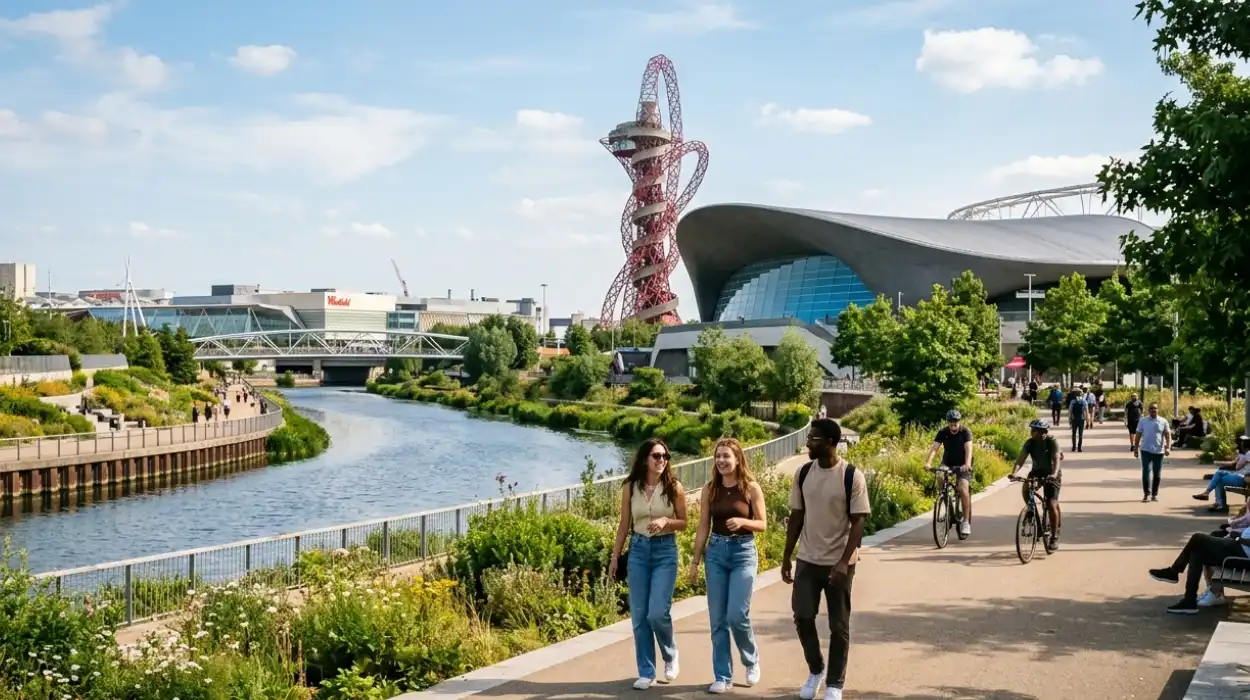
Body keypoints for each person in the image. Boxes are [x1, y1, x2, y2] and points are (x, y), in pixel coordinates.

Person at [782, 418, 871, 700]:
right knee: (802, 616)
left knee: (838, 626)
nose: (808, 443)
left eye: (814, 439)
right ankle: (816, 669)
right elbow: (796, 517)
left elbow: (858, 522)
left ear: (831, 443)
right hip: (808, 559)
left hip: (839, 562)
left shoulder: (851, 476)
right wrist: (786, 557)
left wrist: (844, 561)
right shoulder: (803, 473)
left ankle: (835, 684)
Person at [608, 438, 688, 690]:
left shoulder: (674, 487)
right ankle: (646, 671)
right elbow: (623, 525)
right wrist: (615, 556)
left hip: (665, 551)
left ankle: (670, 652)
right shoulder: (630, 487)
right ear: (645, 458)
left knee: (657, 613)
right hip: (639, 551)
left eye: (665, 456)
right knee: (640, 616)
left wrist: (666, 520)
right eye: (656, 455)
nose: (662, 460)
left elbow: (684, 522)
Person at [688, 438, 766, 693]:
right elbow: (702, 527)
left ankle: (751, 659)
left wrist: (744, 523)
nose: (721, 461)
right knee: (718, 620)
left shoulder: (750, 488)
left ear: (737, 459)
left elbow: (763, 524)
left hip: (743, 552)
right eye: (718, 456)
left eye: (726, 456)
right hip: (716, 554)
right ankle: (722, 675)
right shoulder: (709, 489)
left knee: (737, 615)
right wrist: (695, 561)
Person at [1149, 526, 1250, 614]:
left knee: (1197, 538)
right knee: (1197, 552)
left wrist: (1238, 538)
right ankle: (1189, 600)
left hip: (1242, 553)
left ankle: (1174, 572)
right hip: (1240, 548)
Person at [1010, 419, 1064, 549]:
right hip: (1037, 472)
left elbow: (1057, 458)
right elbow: (1021, 458)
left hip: (1052, 474)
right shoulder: (1030, 443)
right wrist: (1014, 473)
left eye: (1034, 430)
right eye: (1032, 429)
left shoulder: (1051, 441)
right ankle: (1031, 511)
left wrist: (1054, 474)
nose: (1031, 432)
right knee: (1026, 488)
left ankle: (1054, 536)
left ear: (1043, 432)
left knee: (1051, 503)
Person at [924, 410, 974, 537]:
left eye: (955, 422)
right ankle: (945, 499)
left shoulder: (965, 432)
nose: (953, 425)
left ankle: (966, 522)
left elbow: (968, 449)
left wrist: (967, 464)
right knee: (940, 476)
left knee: (963, 488)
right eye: (951, 423)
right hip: (947, 462)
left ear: (959, 422)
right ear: (948, 423)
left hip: (963, 465)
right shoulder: (943, 432)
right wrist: (928, 463)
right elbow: (935, 448)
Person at [1193, 436, 1250, 513]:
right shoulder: (1244, 454)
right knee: (1219, 474)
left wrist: (1240, 458)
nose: (1239, 445)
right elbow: (1235, 464)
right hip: (1241, 476)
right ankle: (1217, 502)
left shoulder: (1248, 454)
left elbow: (1237, 467)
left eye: (1242, 443)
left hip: (1244, 478)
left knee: (1219, 478)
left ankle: (1215, 500)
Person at [1132, 402, 1172, 503]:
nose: (1153, 410)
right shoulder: (1143, 421)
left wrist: (1168, 447)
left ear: (1158, 410)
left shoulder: (1163, 421)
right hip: (1145, 450)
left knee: (1157, 474)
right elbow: (1138, 434)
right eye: (1151, 408)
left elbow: (1168, 435)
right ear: (1148, 410)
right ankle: (1146, 494)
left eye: (1155, 408)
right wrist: (1135, 448)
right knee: (1146, 472)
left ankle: (1154, 494)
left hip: (1159, 451)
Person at [1067, 388, 1090, 452]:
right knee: (1080, 434)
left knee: (1073, 433)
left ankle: (1074, 447)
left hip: (1074, 419)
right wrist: (1088, 421)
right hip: (1081, 419)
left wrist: (1069, 420)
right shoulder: (1084, 401)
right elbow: (1087, 412)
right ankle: (1079, 448)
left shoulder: (1073, 401)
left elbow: (1070, 411)